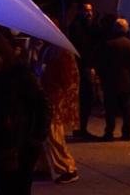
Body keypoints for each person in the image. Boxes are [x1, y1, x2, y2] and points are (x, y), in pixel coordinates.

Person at [0, 31, 50, 195]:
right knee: (2, 188)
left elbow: (42, 104)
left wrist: (37, 136)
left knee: (18, 189)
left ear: (2, 54)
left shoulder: (20, 74)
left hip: (20, 144)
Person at [40, 36, 80, 184]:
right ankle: (44, 167)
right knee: (46, 134)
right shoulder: (49, 48)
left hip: (55, 99)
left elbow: (67, 80)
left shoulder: (61, 51)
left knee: (54, 134)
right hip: (49, 96)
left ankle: (67, 168)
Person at [95, 18, 130, 141]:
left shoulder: (108, 45)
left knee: (110, 108)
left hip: (110, 80)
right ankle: (126, 132)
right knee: (126, 108)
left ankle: (109, 132)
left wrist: (102, 76)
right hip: (126, 80)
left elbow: (101, 63)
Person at [67, 2, 99, 139]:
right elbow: (83, 48)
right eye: (86, 10)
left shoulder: (87, 25)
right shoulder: (77, 26)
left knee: (86, 97)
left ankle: (81, 128)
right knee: (85, 96)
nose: (89, 13)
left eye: (91, 10)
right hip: (82, 66)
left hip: (85, 65)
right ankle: (80, 129)